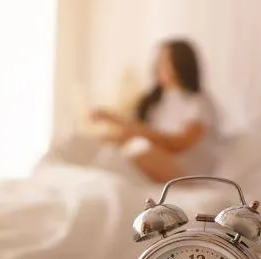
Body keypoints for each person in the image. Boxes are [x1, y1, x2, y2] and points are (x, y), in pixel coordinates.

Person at [90, 39, 218, 183]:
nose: (158, 67)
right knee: (105, 145)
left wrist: (131, 129)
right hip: (154, 159)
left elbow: (178, 144)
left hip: (185, 170)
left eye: (164, 61)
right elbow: (144, 131)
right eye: (158, 61)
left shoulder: (199, 103)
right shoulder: (157, 102)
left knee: (138, 148)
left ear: (181, 64)